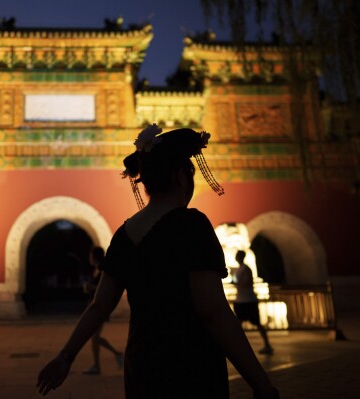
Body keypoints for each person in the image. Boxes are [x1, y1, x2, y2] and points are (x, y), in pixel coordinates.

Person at [37, 125, 279, 398]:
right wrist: (260, 384)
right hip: (190, 363)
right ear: (179, 176)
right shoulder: (191, 225)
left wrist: (65, 356)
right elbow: (213, 311)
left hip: (142, 364)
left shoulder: (124, 234)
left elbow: (99, 306)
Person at [81, 246, 124, 375]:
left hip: (100, 308)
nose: (89, 258)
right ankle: (97, 365)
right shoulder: (98, 270)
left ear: (94, 256)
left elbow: (104, 288)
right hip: (97, 306)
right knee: (95, 337)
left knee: (94, 337)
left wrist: (91, 287)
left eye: (90, 255)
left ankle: (116, 354)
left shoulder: (102, 270)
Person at [231, 250, 273, 354]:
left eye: (238, 256)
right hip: (241, 300)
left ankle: (267, 345)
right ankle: (239, 346)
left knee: (256, 323)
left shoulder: (246, 268)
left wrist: (237, 283)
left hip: (248, 300)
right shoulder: (239, 269)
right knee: (239, 324)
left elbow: (248, 282)